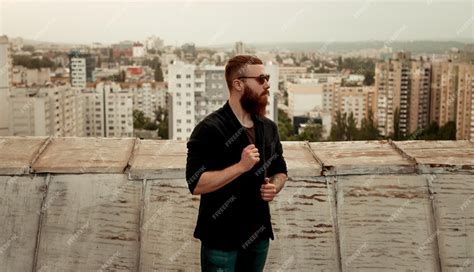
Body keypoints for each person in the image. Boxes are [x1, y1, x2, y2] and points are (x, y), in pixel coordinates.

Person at [186, 55, 288, 272]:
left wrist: (275, 187)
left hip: (258, 235)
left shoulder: (268, 127)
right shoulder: (209, 129)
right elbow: (196, 184)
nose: (267, 84)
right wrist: (240, 167)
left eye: (267, 78)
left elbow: (280, 169)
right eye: (261, 79)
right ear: (239, 84)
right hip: (221, 239)